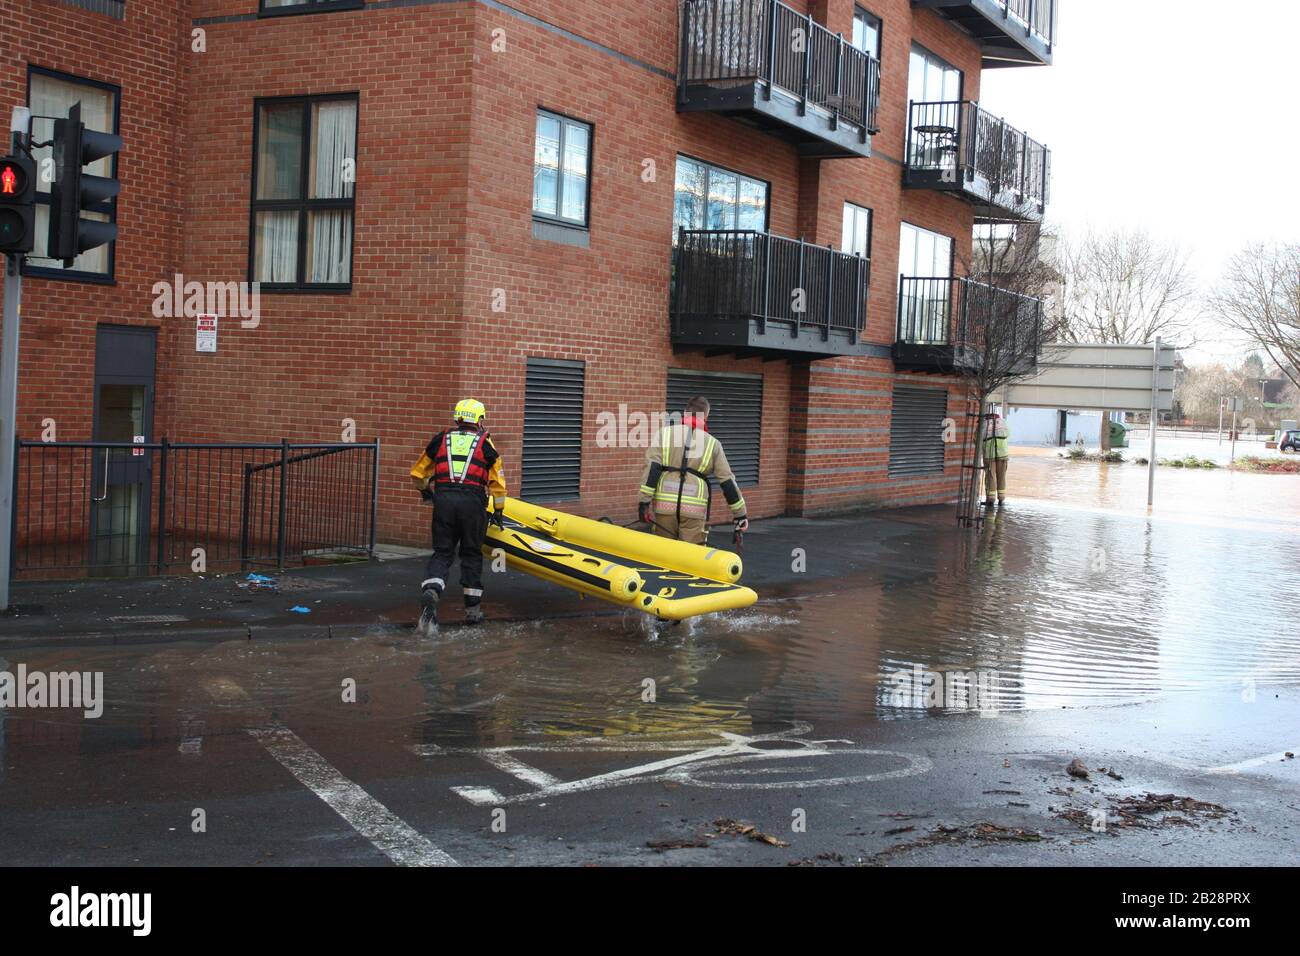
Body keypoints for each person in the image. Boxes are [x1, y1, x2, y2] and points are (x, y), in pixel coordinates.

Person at [409, 399, 507, 634]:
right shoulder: (486, 443)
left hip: (444, 500)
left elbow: (417, 473)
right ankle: (473, 612)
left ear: (458, 418)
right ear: (479, 420)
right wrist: (499, 512)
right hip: (473, 504)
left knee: (443, 552)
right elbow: (498, 484)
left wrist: (426, 492)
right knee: (471, 554)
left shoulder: (441, 439)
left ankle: (432, 590)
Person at [637, 395, 748, 545]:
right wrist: (740, 515)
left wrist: (644, 503)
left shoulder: (664, 434)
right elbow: (727, 481)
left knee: (662, 553)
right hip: (694, 510)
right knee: (690, 557)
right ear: (706, 416)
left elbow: (652, 469)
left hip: (664, 505)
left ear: (685, 412)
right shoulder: (713, 443)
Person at [982, 412, 1011, 508]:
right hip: (1003, 453)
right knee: (1001, 476)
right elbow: (1008, 434)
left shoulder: (984, 424)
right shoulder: (1003, 422)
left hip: (989, 454)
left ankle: (990, 500)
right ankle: (1001, 499)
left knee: (991, 476)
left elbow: (976, 439)